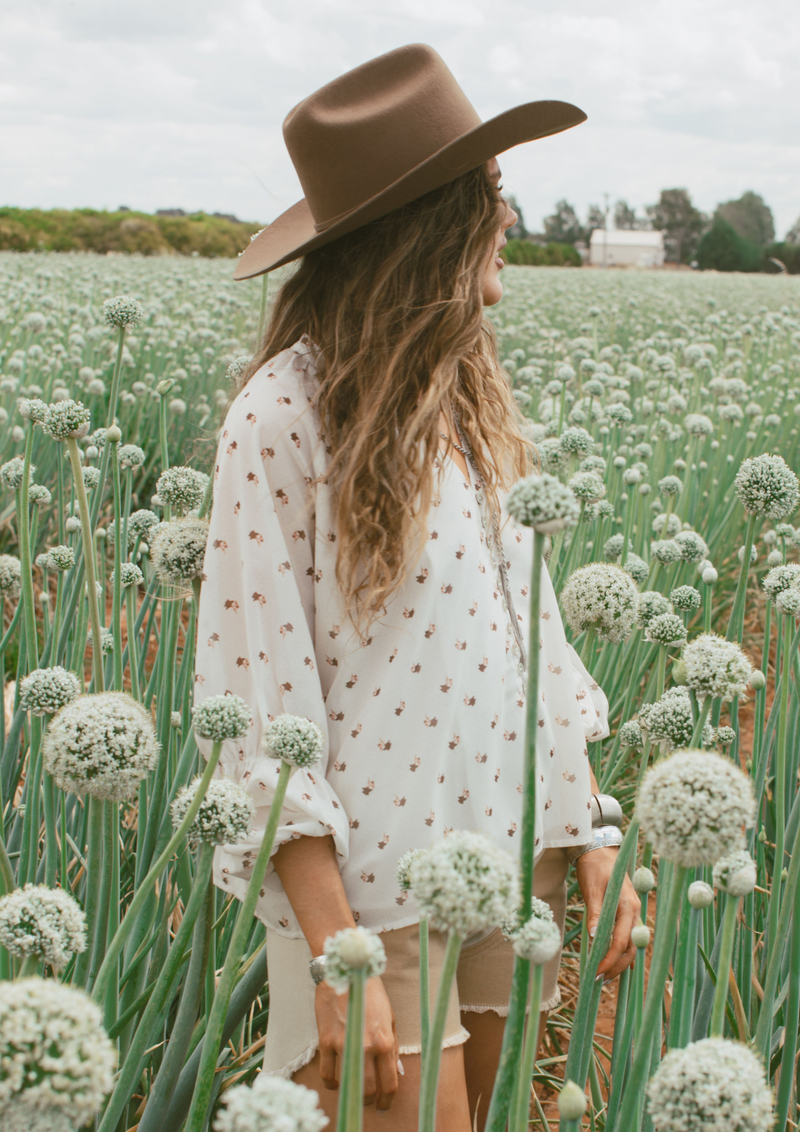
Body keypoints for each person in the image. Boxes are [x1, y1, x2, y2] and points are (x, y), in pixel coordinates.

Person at [194, 42, 640, 1132]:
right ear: (431, 224)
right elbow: (263, 704)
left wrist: (587, 826)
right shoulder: (281, 417)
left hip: (499, 862)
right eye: (490, 193)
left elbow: (528, 634)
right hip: (368, 902)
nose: (507, 217)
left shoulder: (462, 401)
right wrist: (334, 952)